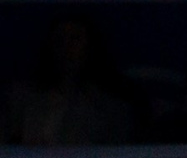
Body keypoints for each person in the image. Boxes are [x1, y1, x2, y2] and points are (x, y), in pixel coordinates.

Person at [4, 16, 134, 147]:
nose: (67, 47)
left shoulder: (112, 108)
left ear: (90, 46)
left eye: (75, 38)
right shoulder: (20, 99)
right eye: (60, 39)